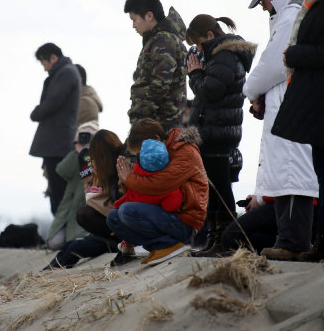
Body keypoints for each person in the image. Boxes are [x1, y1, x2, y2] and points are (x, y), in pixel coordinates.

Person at [243, 0, 318, 261]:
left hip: (292, 106)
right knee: (290, 171)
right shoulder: (295, 9)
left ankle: (292, 241)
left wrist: (250, 90)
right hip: (292, 101)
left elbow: (274, 62)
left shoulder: (291, 13)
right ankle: (292, 239)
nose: (263, 4)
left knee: (291, 172)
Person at [185, 14, 256, 256]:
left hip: (218, 130)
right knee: (214, 187)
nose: (197, 50)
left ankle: (226, 242)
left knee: (219, 187)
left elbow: (210, 91)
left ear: (210, 36)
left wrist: (195, 73)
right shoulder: (220, 55)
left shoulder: (225, 55)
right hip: (216, 129)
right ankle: (217, 240)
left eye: (197, 44)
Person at [271, 0, 324, 262]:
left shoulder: (307, 6)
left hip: (315, 99)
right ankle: (320, 240)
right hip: (313, 103)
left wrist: (294, 55)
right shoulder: (312, 4)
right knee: (321, 171)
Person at [107, 119, 208, 266]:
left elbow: (160, 185)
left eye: (141, 150)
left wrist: (129, 178)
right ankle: (161, 246)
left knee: (126, 211)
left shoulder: (185, 151)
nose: (141, 155)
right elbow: (145, 194)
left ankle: (169, 245)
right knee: (113, 217)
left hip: (185, 220)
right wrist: (126, 181)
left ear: (156, 138)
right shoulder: (156, 153)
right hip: (165, 214)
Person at [124, 0, 187, 131]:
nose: (133, 25)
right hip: (156, 123)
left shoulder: (163, 40)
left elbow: (160, 84)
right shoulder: (156, 40)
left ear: (149, 16)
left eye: (134, 20)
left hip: (160, 125)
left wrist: (140, 119)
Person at [29, 43, 81, 215]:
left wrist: (36, 113)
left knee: (58, 192)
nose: (44, 68)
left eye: (44, 63)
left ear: (52, 57)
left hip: (58, 143)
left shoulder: (66, 72)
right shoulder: (66, 72)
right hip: (58, 141)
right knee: (57, 190)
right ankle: (60, 236)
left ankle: (60, 236)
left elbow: (53, 101)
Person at [113, 139, 183, 256]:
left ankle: (165, 245)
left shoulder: (136, 174)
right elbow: (171, 205)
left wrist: (129, 182)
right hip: (166, 220)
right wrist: (127, 183)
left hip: (173, 227)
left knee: (123, 212)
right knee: (114, 216)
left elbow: (130, 205)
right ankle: (154, 246)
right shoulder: (169, 175)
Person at [45, 121, 98, 250]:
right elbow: (61, 170)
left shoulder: (97, 157)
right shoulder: (76, 156)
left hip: (85, 210)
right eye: (81, 136)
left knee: (76, 241)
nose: (84, 140)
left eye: (87, 137)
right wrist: (77, 151)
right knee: (54, 242)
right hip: (68, 211)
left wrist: (88, 153)